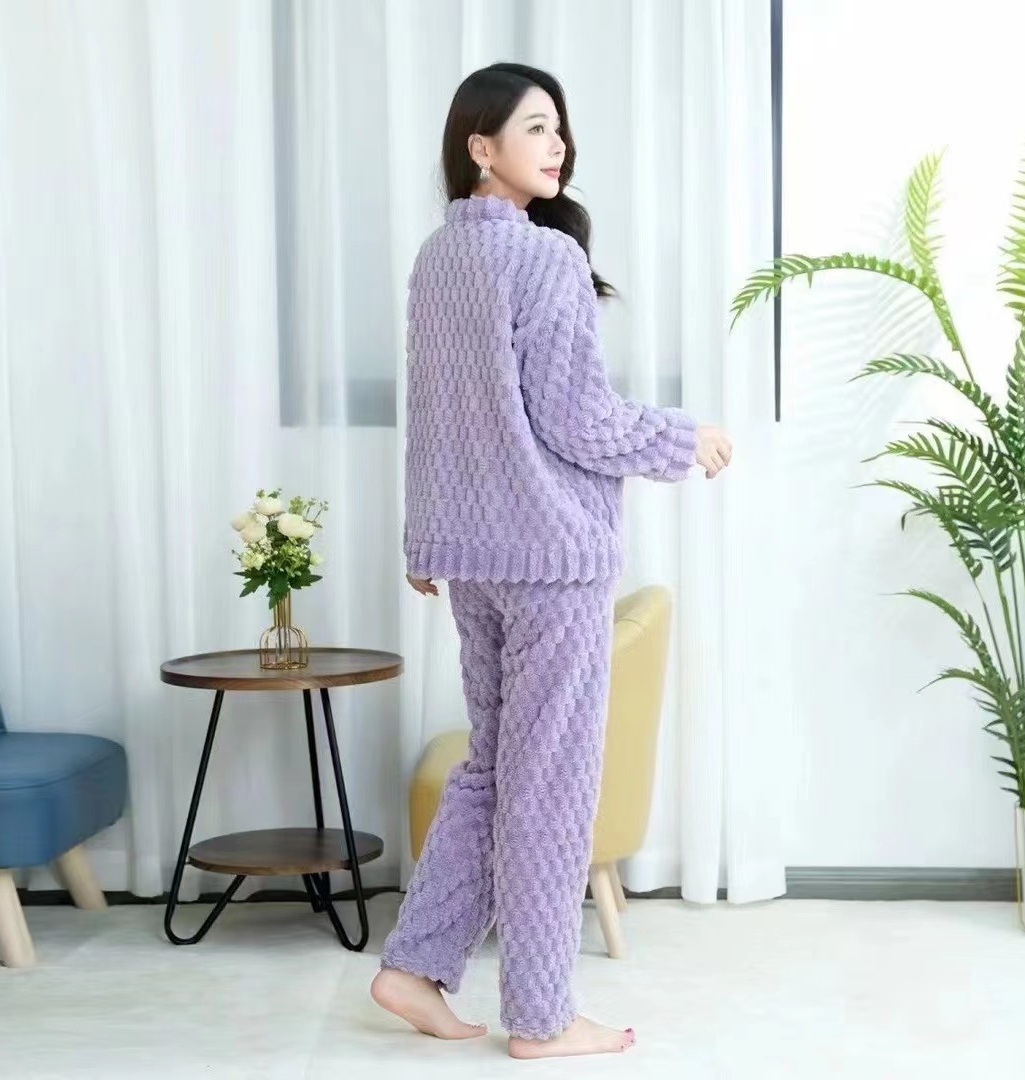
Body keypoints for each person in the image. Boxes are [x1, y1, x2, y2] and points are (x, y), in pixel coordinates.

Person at [370, 62, 732, 1061]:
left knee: (493, 772)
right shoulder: (544, 258)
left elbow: (434, 418)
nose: (557, 142)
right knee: (549, 789)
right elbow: (580, 420)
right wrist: (683, 438)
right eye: (535, 126)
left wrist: (424, 537)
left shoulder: (437, 259)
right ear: (480, 146)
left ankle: (414, 967)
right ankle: (540, 1015)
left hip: (474, 563)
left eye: (559, 127)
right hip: (553, 563)